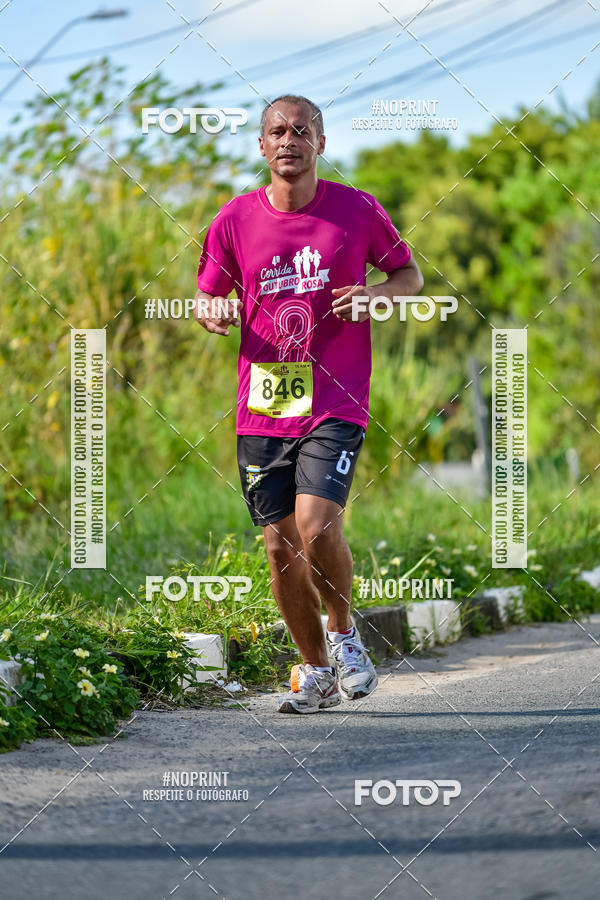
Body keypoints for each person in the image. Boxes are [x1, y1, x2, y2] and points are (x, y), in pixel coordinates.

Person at [194, 94, 423, 714]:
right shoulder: (234, 219)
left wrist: (377, 295)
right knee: (279, 544)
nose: (289, 139)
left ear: (321, 143)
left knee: (317, 524)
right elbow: (207, 295)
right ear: (262, 147)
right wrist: (212, 311)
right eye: (277, 131)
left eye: (302, 130)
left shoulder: (356, 210)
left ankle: (345, 634)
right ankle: (316, 672)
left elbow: (409, 278)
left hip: (336, 397)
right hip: (266, 402)